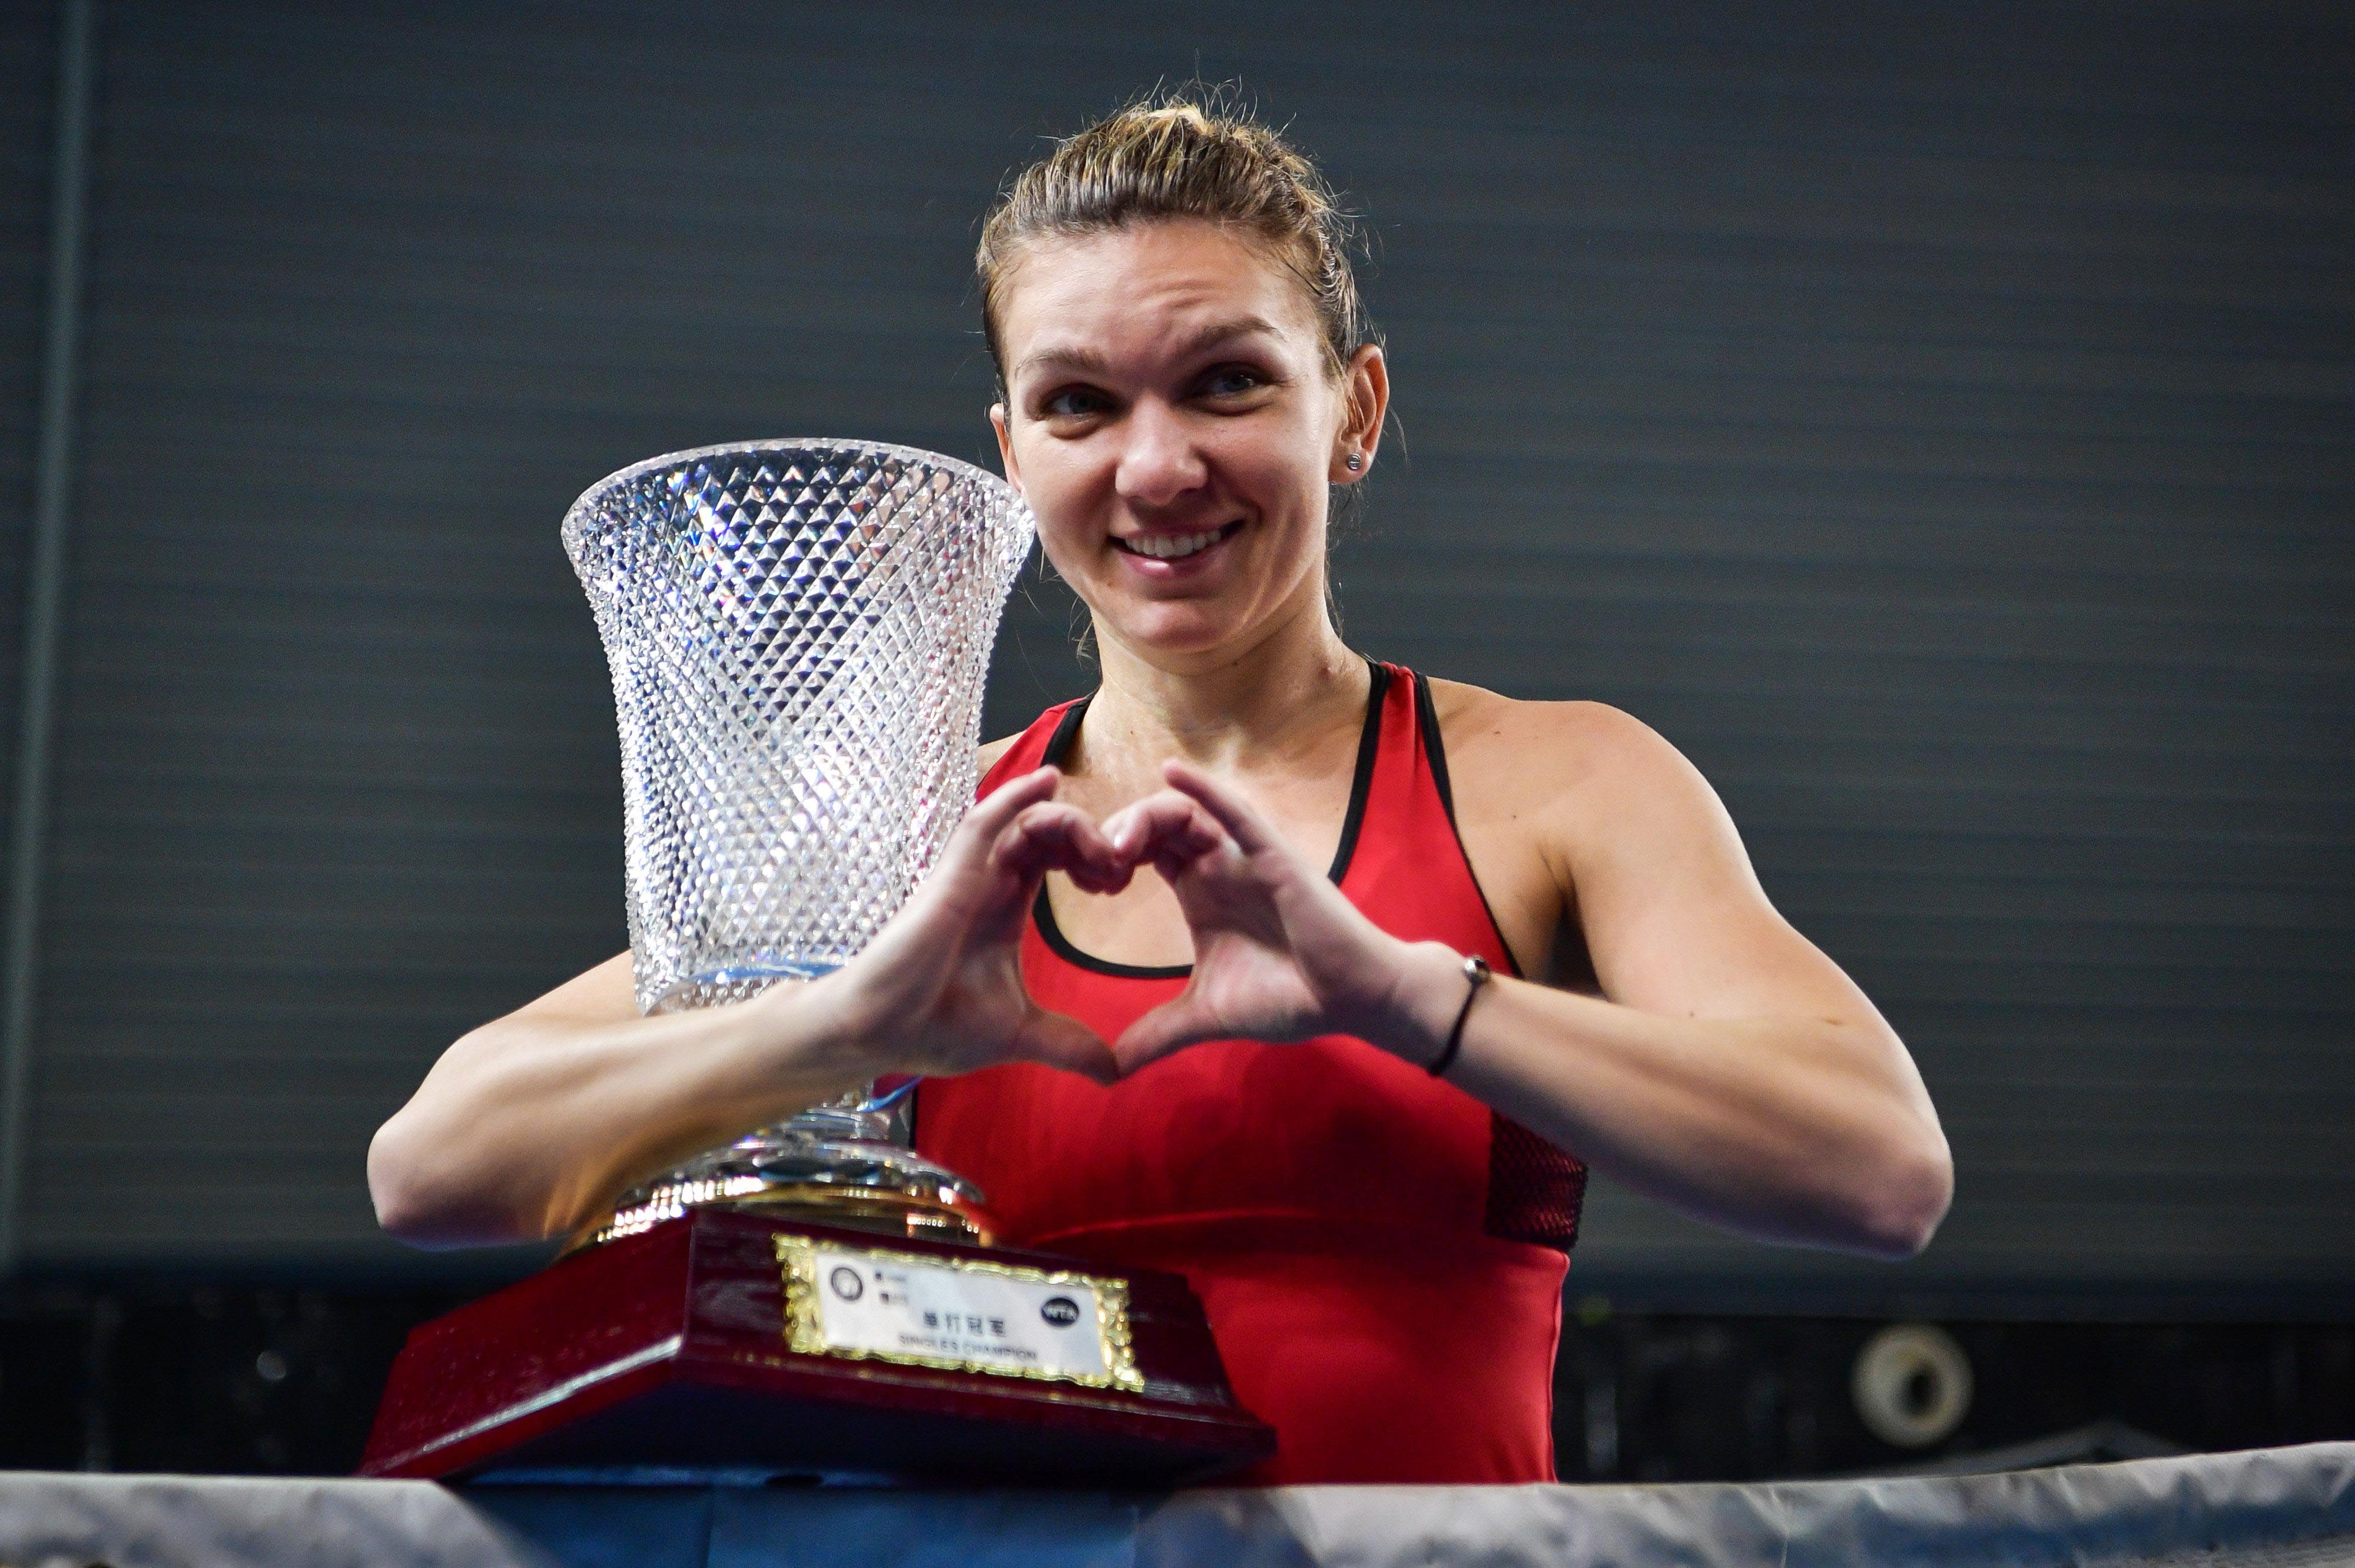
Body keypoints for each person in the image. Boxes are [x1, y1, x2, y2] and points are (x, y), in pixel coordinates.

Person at [369, 97, 1952, 1486]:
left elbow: (1880, 1172)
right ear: (1009, 453)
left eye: (1224, 384)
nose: (1155, 468)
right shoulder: (927, 846)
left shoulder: (1555, 784)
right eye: (1078, 404)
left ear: (1356, 410)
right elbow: (432, 1170)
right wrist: (850, 1025)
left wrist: (1399, 993)